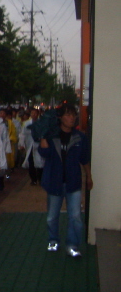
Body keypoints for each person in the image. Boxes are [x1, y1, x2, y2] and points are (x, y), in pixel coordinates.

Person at [39, 104, 92, 257]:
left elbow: (85, 159)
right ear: (60, 118)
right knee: (52, 217)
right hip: (54, 182)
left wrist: (89, 176)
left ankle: (73, 244)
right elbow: (44, 153)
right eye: (68, 115)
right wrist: (43, 136)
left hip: (73, 182)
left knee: (75, 216)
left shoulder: (80, 137)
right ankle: (53, 240)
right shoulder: (51, 135)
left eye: (73, 115)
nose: (71, 118)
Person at [19, 108, 44, 185]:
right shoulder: (26, 123)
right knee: (31, 162)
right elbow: (22, 134)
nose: (33, 115)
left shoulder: (42, 123)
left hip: (39, 145)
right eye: (32, 113)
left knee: (40, 163)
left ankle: (40, 179)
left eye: (35, 113)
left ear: (38, 114)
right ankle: (33, 179)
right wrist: (22, 144)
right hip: (30, 145)